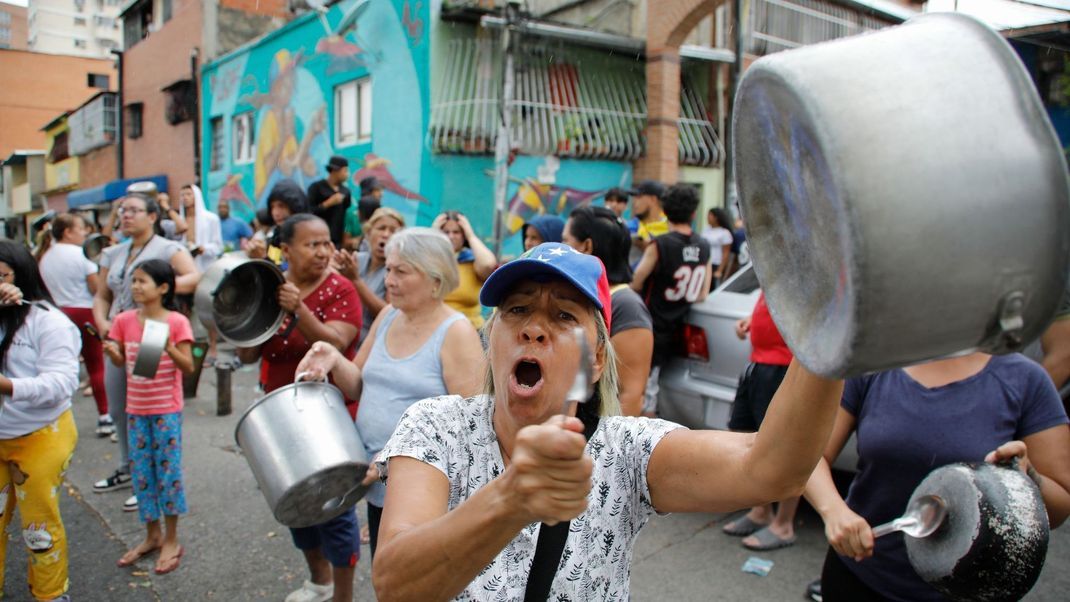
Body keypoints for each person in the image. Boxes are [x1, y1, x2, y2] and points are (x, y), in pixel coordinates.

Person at [367, 242, 844, 600]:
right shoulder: (436, 427)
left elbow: (771, 468)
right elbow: (394, 585)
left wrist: (832, 327)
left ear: (595, 362)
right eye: (517, 310)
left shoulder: (625, 452)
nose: (534, 327)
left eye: (562, 315)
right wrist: (510, 498)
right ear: (490, 340)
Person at [804, 352, 1070, 601]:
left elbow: (1060, 507)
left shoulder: (1025, 380)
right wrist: (835, 511)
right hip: (861, 576)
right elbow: (810, 456)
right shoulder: (877, 361)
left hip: (966, 590)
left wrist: (1028, 478)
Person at [298, 227, 485, 561]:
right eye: (388, 268)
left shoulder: (455, 332)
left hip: (422, 497)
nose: (389, 279)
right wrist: (333, 358)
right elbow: (358, 384)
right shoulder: (388, 315)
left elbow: (474, 426)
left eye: (401, 271)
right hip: (375, 488)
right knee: (385, 577)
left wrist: (393, 460)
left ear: (435, 280)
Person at [236, 214, 362, 602]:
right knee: (292, 500)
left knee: (336, 508)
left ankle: (343, 595)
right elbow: (245, 354)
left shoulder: (341, 290)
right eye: (312, 244)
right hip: (278, 414)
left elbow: (336, 343)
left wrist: (298, 309)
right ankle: (318, 581)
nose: (323, 252)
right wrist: (257, 310)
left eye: (327, 243)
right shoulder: (269, 286)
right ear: (286, 249)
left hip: (328, 415)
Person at [91, 193, 198, 513]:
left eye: (135, 210)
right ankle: (130, 468)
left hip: (152, 331)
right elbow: (101, 295)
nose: (126, 216)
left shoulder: (168, 249)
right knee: (122, 404)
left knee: (153, 400)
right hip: (120, 329)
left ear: (152, 216)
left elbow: (193, 279)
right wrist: (103, 323)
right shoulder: (113, 252)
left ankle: (152, 479)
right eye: (122, 210)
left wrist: (156, 291)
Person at [0, 241, 80, 602]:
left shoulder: (47, 321)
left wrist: (7, 386)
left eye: (1, 275)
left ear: (22, 275)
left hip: (41, 435)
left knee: (38, 526)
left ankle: (50, 594)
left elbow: (62, 383)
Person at [103, 259, 194, 575]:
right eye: (134, 281)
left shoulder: (177, 321)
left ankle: (171, 537)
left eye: (143, 281)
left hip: (166, 411)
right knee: (142, 473)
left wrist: (169, 347)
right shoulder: (124, 320)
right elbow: (120, 360)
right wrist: (113, 353)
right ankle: (151, 535)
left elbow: (188, 367)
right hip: (136, 410)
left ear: (163, 288)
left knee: (168, 473)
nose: (136, 287)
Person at [721, 292, 800, 551]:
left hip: (786, 365)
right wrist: (753, 320)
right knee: (746, 433)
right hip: (759, 361)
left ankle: (783, 524)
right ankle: (760, 510)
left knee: (787, 445)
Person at [562, 206, 652, 416]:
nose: (561, 248)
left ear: (586, 246)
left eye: (565, 241)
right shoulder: (583, 298)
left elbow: (631, 394)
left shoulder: (627, 307)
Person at [631, 184, 712, 417]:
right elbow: (703, 292)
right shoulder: (704, 246)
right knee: (654, 388)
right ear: (694, 213)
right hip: (681, 325)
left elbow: (637, 281)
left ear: (665, 211)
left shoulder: (660, 244)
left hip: (651, 325)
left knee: (643, 390)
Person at [39, 213, 112, 437]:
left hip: (58, 313)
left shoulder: (45, 256)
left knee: (62, 367)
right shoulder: (80, 255)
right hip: (84, 312)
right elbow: (96, 289)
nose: (85, 233)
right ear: (68, 232)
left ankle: (56, 419)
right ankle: (105, 415)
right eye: (81, 229)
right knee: (96, 364)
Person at [334, 207, 404, 345]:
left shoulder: (399, 270)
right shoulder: (355, 260)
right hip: (342, 336)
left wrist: (355, 281)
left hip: (371, 343)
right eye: (381, 228)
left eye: (393, 231)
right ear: (368, 233)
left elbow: (390, 314)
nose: (386, 234)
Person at [434, 211, 496, 329]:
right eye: (446, 232)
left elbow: (488, 264)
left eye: (456, 232)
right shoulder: (431, 260)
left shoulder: (472, 261)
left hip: (470, 329)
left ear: (464, 235)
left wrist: (470, 235)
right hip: (435, 330)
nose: (451, 236)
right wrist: (432, 233)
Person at [246, 179, 310, 266]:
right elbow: (277, 265)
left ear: (296, 206)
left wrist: (264, 259)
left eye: (281, 206)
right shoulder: (276, 238)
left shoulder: (311, 238)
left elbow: (297, 274)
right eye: (272, 207)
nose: (275, 213)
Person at [308, 156, 352, 248]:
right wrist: (327, 204)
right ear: (335, 170)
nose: (347, 174)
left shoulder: (346, 191)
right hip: (318, 240)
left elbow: (347, 216)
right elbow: (309, 212)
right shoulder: (316, 188)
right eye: (345, 171)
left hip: (337, 242)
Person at [344, 177, 384, 251]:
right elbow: (346, 243)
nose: (381, 194)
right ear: (367, 192)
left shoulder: (383, 213)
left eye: (381, 190)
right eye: (377, 190)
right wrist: (364, 238)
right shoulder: (351, 213)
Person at [702, 208, 734, 287]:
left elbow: (726, 253)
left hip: (716, 264)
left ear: (716, 218)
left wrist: (720, 270)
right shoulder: (706, 230)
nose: (707, 217)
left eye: (710, 215)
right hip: (705, 262)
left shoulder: (724, 233)